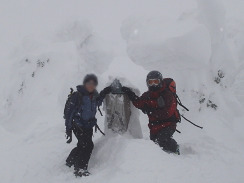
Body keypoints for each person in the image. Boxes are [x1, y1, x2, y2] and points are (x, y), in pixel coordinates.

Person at [122, 71, 180, 154]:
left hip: (168, 124)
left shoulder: (167, 94)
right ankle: (161, 159)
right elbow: (140, 103)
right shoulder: (148, 95)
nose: (153, 85)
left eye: (156, 82)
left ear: (160, 81)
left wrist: (150, 109)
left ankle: (175, 149)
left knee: (162, 139)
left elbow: (167, 112)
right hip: (154, 125)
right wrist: (130, 94)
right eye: (150, 82)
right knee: (154, 145)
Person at [64, 74, 111, 177]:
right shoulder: (78, 95)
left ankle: (70, 161)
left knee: (82, 144)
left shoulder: (94, 95)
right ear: (85, 83)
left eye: (93, 84)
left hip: (89, 126)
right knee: (88, 145)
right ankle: (80, 168)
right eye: (89, 83)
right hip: (78, 125)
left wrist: (105, 91)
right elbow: (69, 113)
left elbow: (98, 102)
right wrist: (68, 128)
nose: (91, 85)